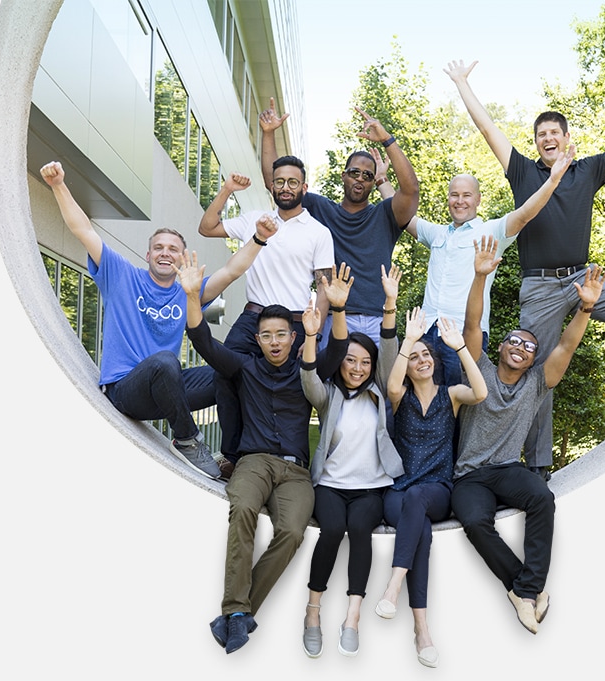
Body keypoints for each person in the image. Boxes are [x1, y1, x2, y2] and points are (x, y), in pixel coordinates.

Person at [446, 59, 605, 474]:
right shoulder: (523, 171)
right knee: (537, 370)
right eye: (540, 134)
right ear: (536, 143)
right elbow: (488, 128)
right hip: (539, 286)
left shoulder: (589, 170)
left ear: (565, 139)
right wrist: (461, 83)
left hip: (582, 277)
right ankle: (538, 464)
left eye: (553, 133)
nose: (547, 138)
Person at [38, 160, 272, 480]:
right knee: (164, 360)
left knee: (231, 372)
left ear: (182, 257)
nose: (165, 253)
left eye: (173, 249)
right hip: (125, 390)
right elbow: (84, 230)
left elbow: (233, 270)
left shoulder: (188, 291)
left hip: (168, 390)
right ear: (148, 255)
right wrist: (58, 185)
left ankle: (234, 457)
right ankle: (188, 440)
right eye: (158, 248)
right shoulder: (120, 275)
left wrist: (258, 238)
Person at [451, 236, 605, 635]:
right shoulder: (478, 368)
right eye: (514, 340)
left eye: (529, 346)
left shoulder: (538, 383)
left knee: (541, 498)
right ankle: (524, 589)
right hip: (468, 474)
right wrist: (479, 277)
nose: (521, 347)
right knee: (474, 521)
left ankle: (527, 590)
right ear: (500, 347)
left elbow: (568, 345)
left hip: (506, 469)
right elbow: (471, 325)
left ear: (534, 360)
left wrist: (586, 306)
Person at [173, 251, 314, 655]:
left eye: (281, 334)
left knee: (291, 532)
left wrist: (332, 310)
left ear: (293, 337)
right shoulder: (244, 367)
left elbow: (338, 354)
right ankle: (237, 612)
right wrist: (192, 297)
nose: (274, 341)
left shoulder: (307, 369)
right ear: (258, 339)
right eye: (267, 335)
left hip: (296, 471)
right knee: (243, 511)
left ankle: (241, 611)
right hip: (253, 462)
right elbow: (202, 341)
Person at [375, 144, 576, 386]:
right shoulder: (437, 234)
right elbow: (401, 211)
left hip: (463, 336)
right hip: (426, 334)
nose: (460, 201)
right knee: (422, 404)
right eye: (454, 195)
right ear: (448, 198)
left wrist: (552, 182)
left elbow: (524, 214)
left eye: (466, 195)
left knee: (460, 409)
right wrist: (381, 180)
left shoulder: (490, 231)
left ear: (478, 199)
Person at [197, 158, 335, 478]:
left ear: (304, 187)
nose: (285, 187)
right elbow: (207, 227)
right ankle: (233, 456)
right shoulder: (253, 220)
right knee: (225, 374)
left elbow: (325, 289)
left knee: (296, 391)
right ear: (271, 186)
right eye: (279, 181)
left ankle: (296, 463)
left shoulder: (318, 232)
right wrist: (227, 190)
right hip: (252, 318)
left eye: (292, 182)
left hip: (296, 324)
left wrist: (312, 336)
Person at [297, 263, 405, 659]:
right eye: (350, 360)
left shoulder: (381, 392)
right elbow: (308, 379)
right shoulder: (328, 396)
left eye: (365, 362)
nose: (357, 368)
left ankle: (352, 617)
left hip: (372, 486)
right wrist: (312, 336)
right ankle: (313, 612)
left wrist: (389, 303)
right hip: (330, 485)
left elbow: (391, 350)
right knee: (332, 530)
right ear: (340, 362)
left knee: (360, 530)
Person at [373, 305, 488, 668]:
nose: (421, 360)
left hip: (437, 489)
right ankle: (422, 630)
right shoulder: (400, 396)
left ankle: (392, 586)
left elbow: (481, 392)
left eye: (426, 355)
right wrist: (407, 340)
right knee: (417, 525)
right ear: (407, 364)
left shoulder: (451, 394)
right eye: (415, 357)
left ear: (434, 361)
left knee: (420, 500)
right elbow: (391, 383)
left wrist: (459, 347)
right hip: (399, 492)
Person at [258, 98, 419, 348]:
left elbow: (410, 190)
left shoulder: (386, 215)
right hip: (333, 318)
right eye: (354, 172)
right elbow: (277, 182)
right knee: (324, 386)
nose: (360, 179)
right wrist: (268, 134)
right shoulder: (320, 209)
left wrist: (387, 140)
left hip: (379, 321)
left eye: (367, 175)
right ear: (343, 176)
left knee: (387, 387)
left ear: (373, 181)